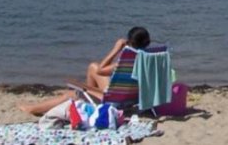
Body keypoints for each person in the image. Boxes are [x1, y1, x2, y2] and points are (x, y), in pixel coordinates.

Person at [18, 26, 152, 116]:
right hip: (131, 99)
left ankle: (32, 108)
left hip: (116, 103)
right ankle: (89, 96)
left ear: (129, 42)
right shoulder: (151, 58)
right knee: (92, 66)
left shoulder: (127, 62)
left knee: (72, 94)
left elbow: (101, 70)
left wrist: (116, 49)